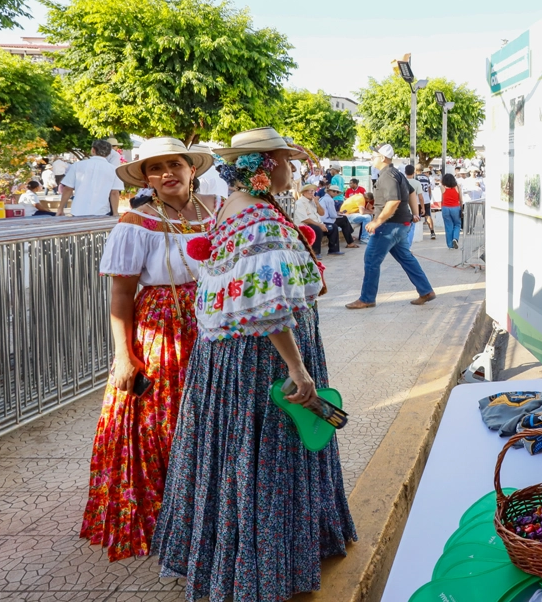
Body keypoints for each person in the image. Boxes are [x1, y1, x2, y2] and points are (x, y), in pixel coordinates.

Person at [153, 126, 355, 601]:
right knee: (264, 451)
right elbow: (264, 308)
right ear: (266, 166)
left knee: (235, 454)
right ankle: (261, 567)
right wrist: (298, 369)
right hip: (260, 359)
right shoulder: (259, 219)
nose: (293, 168)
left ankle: (238, 555)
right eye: (287, 161)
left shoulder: (234, 208)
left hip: (233, 357)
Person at [82, 138, 218, 561]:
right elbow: (120, 295)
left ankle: (212, 511)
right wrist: (124, 356)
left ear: (191, 168)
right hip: (162, 329)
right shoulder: (134, 222)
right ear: (145, 178)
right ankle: (173, 515)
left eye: (174, 164)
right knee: (163, 422)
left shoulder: (218, 209)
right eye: (155, 168)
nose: (166, 174)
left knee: (213, 414)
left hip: (216, 321)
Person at [345, 144, 435, 309]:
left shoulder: (387, 176)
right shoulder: (397, 174)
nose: (372, 158)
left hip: (389, 226)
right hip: (400, 225)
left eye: (374, 155)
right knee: (406, 259)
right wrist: (415, 214)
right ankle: (426, 290)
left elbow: (394, 201)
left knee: (371, 260)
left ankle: (367, 298)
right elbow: (411, 192)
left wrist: (377, 221)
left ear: (383, 158)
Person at [59, 139, 125, 217]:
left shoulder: (77, 166)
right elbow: (114, 193)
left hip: (78, 211)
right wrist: (115, 213)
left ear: (93, 150)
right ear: (109, 153)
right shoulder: (114, 170)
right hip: (101, 211)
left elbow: (68, 189)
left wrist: (60, 208)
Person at [295, 182, 330, 255]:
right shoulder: (300, 203)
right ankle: (315, 253)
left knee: (333, 227)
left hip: (316, 223)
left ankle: (334, 249)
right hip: (304, 224)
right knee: (317, 229)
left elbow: (322, 213)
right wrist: (320, 225)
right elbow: (305, 219)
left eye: (313, 191)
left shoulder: (313, 201)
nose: (312, 193)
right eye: (310, 191)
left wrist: (317, 204)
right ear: (304, 192)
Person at [403, 163, 426, 250]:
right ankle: (407, 247)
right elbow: (420, 197)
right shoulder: (417, 183)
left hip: (403, 209)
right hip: (413, 209)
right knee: (411, 229)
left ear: (405, 172)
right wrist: (423, 208)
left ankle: (403, 246)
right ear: (414, 172)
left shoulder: (402, 182)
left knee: (403, 229)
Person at [440, 172, 463, 249]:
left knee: (448, 226)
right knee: (457, 224)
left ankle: (450, 245)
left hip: (445, 208)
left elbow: (442, 199)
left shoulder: (442, 188)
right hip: (455, 208)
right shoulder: (458, 187)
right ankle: (455, 238)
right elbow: (461, 200)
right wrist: (461, 209)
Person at [415, 165, 435, 239]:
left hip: (417, 200)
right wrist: (429, 197)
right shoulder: (426, 178)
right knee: (428, 216)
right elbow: (429, 189)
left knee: (416, 215)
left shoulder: (416, 178)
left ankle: (416, 233)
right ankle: (432, 232)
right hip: (426, 199)